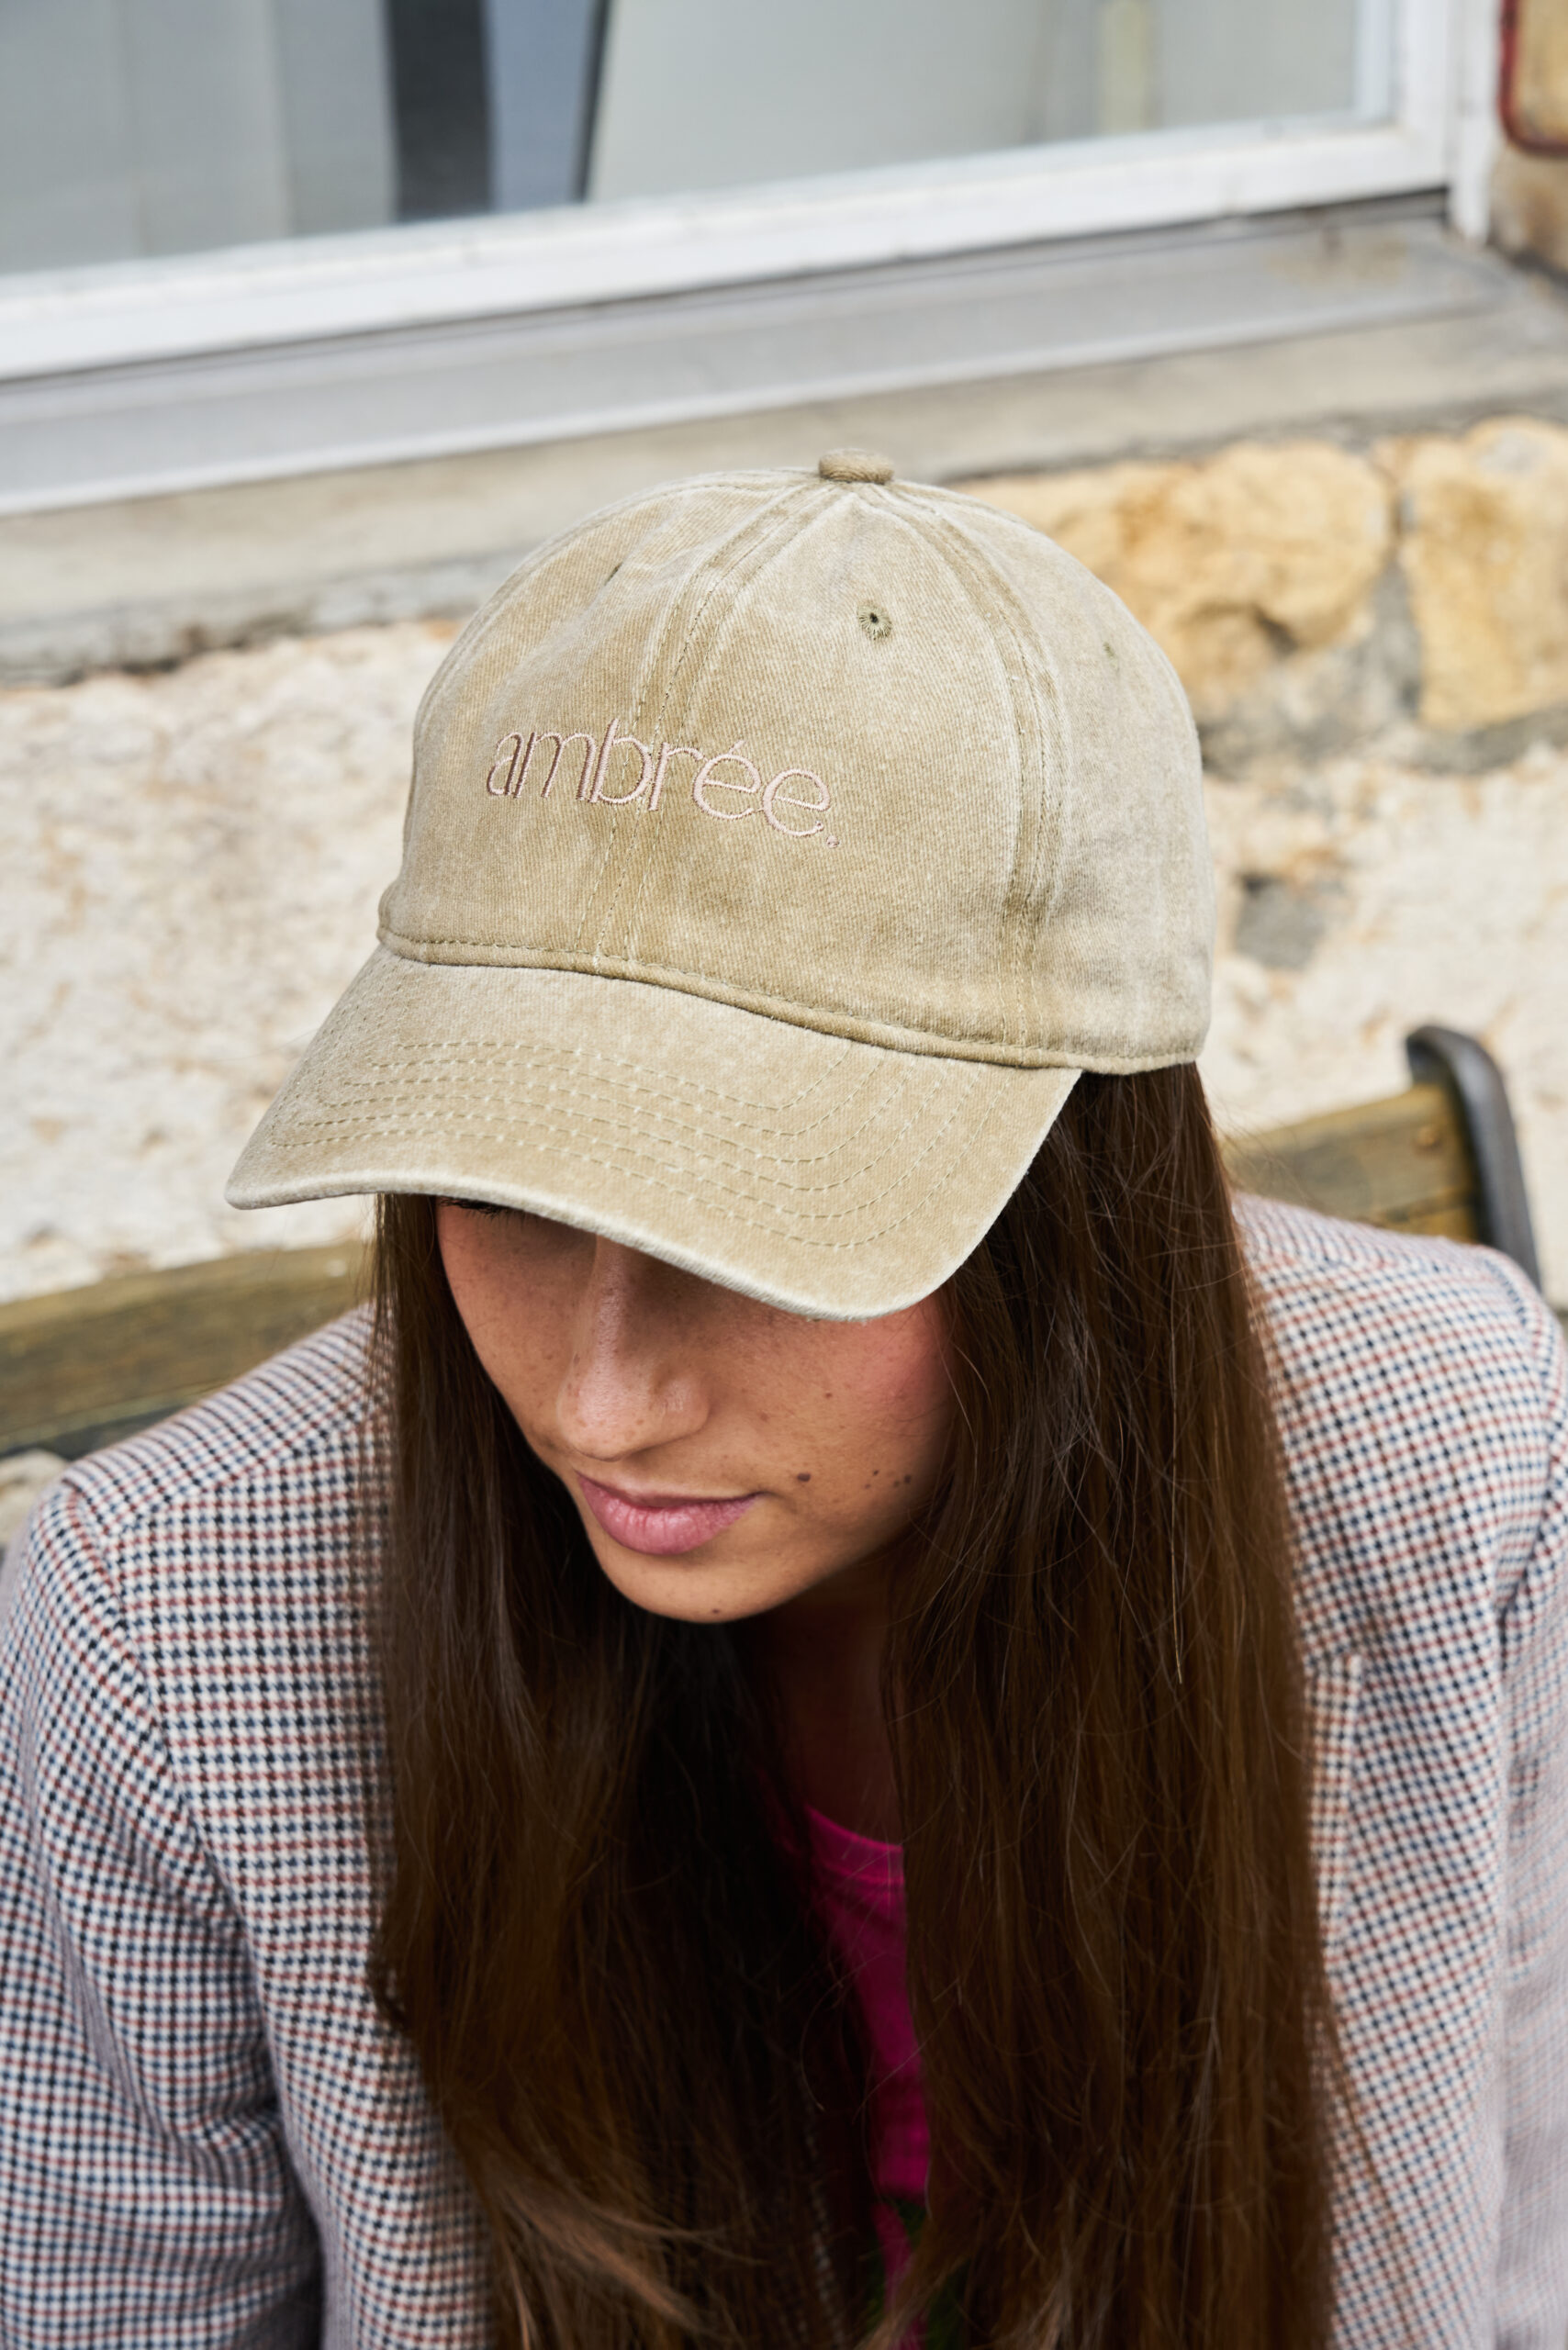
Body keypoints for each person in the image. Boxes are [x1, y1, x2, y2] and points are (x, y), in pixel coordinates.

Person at [0, 450, 1563, 2350]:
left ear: (1063, 1204)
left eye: (752, 1221)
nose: (597, 1394)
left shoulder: (1462, 1457)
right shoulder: (161, 1633)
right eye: (500, 1192)